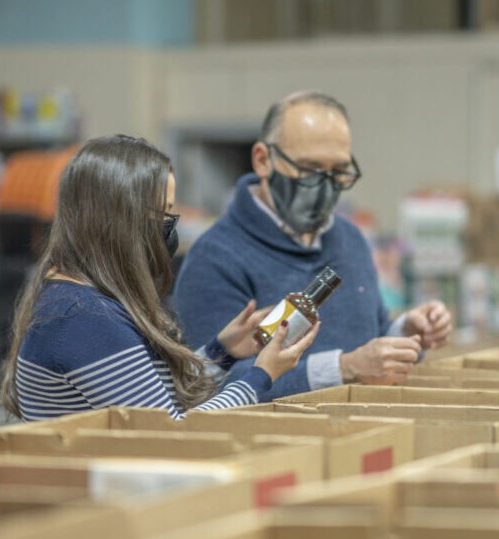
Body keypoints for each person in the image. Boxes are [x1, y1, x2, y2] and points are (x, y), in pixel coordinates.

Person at [0, 135, 319, 421]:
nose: (169, 227)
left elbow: (149, 395)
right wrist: (262, 375)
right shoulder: (84, 318)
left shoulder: (78, 300)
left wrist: (224, 351)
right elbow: (171, 433)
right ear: (122, 221)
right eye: (162, 215)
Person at [174, 91, 453, 400]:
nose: (324, 186)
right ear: (264, 160)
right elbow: (210, 386)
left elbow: (369, 335)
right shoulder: (214, 259)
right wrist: (344, 368)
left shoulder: (350, 240)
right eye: (309, 169)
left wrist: (406, 333)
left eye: (338, 172)